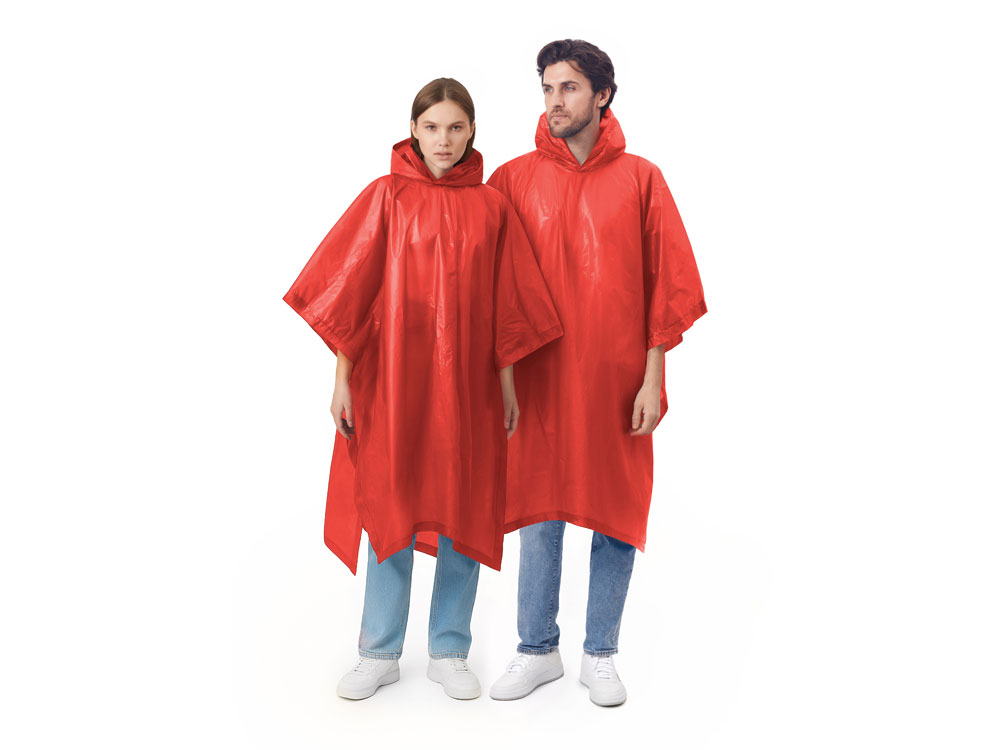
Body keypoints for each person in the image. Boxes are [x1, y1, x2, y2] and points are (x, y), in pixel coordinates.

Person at [282, 78, 563, 701]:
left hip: (469, 386)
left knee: (466, 504)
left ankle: (449, 649)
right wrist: (343, 380)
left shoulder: (491, 208)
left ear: (472, 132)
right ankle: (379, 651)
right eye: (432, 127)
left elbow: (507, 304)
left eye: (456, 127)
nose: (443, 140)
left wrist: (507, 385)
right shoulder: (386, 198)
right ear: (413, 129)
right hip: (396, 381)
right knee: (392, 501)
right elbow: (354, 295)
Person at [485, 40, 707, 706]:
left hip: (616, 380)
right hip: (539, 381)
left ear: (602, 95)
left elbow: (667, 284)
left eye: (570, 88)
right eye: (548, 88)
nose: (555, 102)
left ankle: (600, 653)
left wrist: (652, 377)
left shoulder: (642, 180)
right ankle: (537, 650)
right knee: (539, 509)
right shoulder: (512, 180)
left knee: (616, 513)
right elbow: (478, 278)